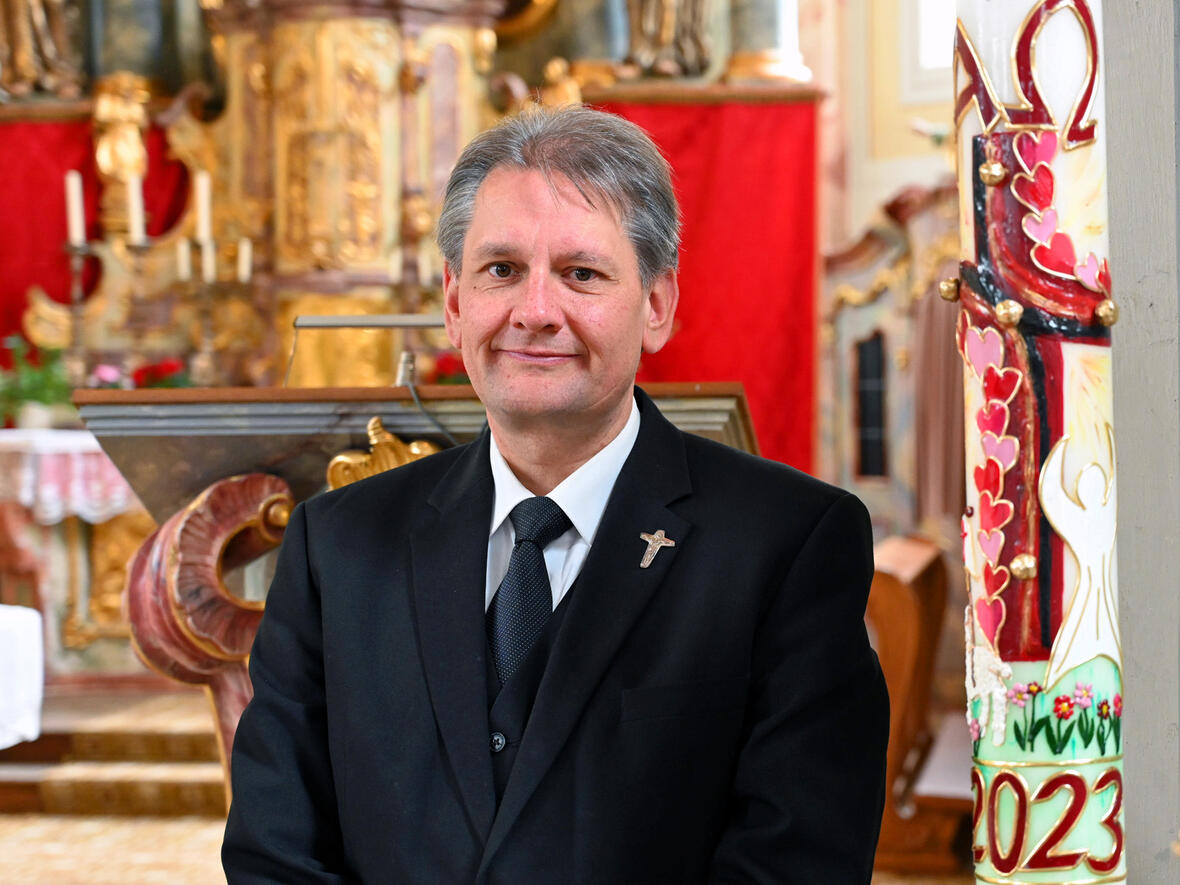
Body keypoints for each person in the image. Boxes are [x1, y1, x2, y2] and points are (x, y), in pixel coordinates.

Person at [223, 106, 889, 883]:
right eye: (501, 270)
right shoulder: (334, 544)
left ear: (658, 305)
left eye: (581, 273)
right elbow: (277, 851)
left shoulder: (789, 544)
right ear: (453, 302)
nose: (535, 312)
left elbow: (797, 860)